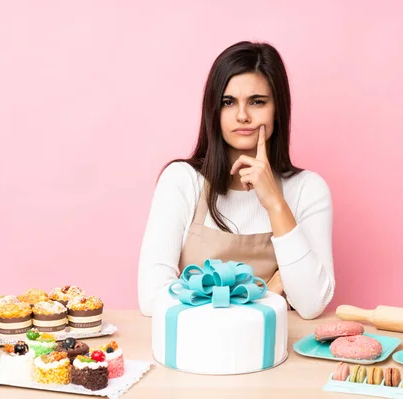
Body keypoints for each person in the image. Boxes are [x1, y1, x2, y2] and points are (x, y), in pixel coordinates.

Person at [137, 41, 335, 320]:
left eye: (257, 102)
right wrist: (265, 292)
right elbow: (151, 297)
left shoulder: (307, 189)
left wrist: (276, 205)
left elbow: (312, 304)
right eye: (228, 102)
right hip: (194, 358)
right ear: (213, 111)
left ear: (277, 109)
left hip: (278, 357)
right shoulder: (182, 181)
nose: (243, 116)